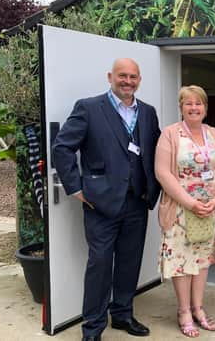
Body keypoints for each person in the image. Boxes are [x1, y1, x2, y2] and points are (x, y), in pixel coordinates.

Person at [52, 58, 161, 341]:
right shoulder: (88, 108)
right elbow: (62, 148)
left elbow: (157, 150)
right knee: (100, 264)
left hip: (137, 200)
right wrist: (76, 188)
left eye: (133, 77)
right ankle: (92, 328)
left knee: (129, 261)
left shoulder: (148, 113)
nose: (128, 81)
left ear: (139, 80)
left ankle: (123, 314)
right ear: (110, 76)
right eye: (122, 76)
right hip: (100, 203)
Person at [155, 85, 215, 338]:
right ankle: (184, 311)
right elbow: (163, 173)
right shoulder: (170, 134)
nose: (194, 108)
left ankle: (198, 308)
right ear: (181, 107)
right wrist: (189, 202)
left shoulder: (214, 134)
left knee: (202, 261)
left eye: (198, 103)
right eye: (188, 103)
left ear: (206, 108)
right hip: (180, 210)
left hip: (210, 209)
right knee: (182, 262)